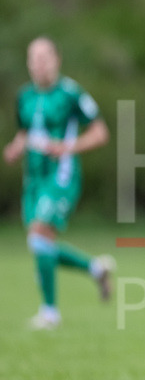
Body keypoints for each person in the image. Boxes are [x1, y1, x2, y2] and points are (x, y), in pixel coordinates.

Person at [3, 36, 115, 330]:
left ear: (57, 60)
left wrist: (69, 147)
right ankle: (95, 268)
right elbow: (26, 133)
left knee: (40, 233)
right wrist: (16, 147)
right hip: (34, 179)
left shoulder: (70, 94)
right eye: (33, 58)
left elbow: (100, 133)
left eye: (44, 57)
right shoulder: (24, 97)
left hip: (61, 177)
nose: (39, 64)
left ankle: (50, 312)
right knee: (40, 243)